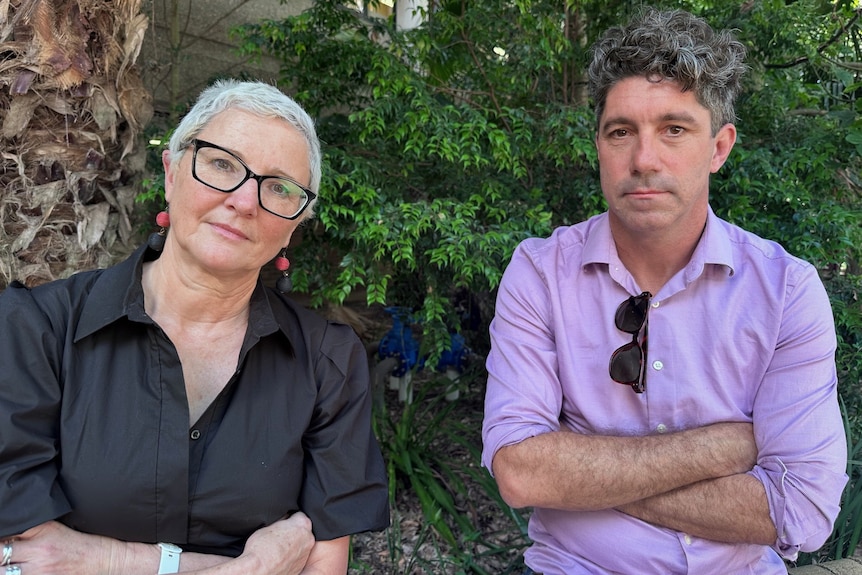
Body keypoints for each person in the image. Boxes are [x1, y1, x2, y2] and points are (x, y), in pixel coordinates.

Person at [481, 8, 848, 575]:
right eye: (621, 131)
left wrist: (581, 476)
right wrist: (728, 447)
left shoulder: (785, 290)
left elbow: (801, 507)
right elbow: (520, 473)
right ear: (599, 146)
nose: (644, 159)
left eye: (674, 130)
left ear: (719, 148)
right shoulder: (539, 273)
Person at [0, 79, 389, 575]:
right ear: (171, 172)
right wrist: (246, 569)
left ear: (295, 223)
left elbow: (323, 566)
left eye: (279, 188)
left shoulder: (328, 362)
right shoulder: (37, 331)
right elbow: (21, 553)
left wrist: (90, 557)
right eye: (222, 163)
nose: (245, 201)